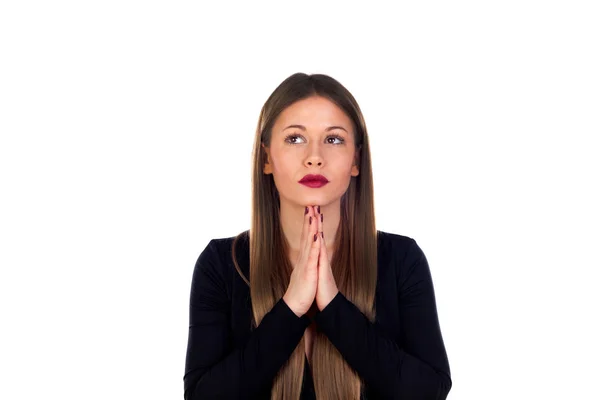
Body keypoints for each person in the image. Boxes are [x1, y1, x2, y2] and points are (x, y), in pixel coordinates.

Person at [183, 73, 452, 399]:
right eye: (295, 138)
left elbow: (430, 391)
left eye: (334, 139)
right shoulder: (221, 264)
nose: (314, 156)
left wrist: (333, 307)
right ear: (267, 158)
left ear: (356, 160)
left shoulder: (401, 259)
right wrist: (291, 307)